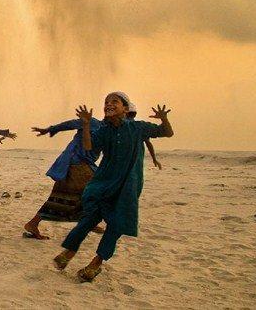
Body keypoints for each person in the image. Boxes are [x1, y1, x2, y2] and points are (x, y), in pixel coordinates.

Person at [53, 92, 173, 282]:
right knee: (88, 219)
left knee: (115, 226)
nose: (108, 104)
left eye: (114, 102)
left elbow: (167, 132)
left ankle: (95, 264)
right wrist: (85, 125)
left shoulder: (137, 128)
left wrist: (164, 118)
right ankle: (69, 252)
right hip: (104, 183)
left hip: (128, 186)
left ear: (125, 109)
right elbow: (88, 146)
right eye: (106, 102)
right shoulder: (103, 130)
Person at [25, 112, 103, 240]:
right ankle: (33, 223)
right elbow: (70, 124)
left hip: (86, 164)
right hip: (74, 162)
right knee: (90, 192)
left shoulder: (111, 132)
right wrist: (50, 129)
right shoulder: (93, 122)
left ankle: (88, 222)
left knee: (62, 196)